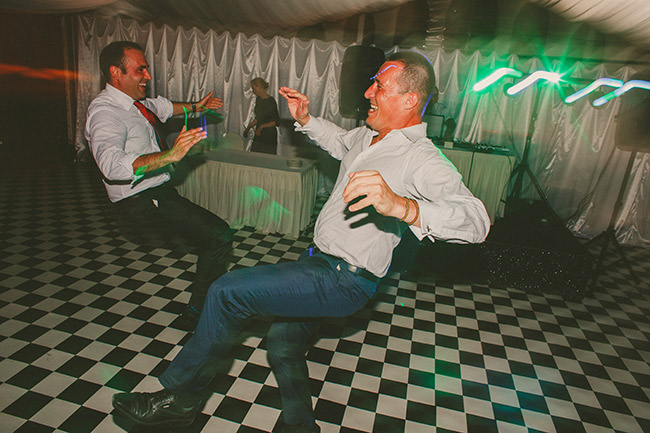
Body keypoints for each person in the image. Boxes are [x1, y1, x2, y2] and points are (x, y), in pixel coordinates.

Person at [111, 51, 490, 433]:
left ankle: (179, 400)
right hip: (321, 263)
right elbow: (339, 141)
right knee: (284, 345)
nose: (367, 92)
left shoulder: (421, 158)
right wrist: (306, 119)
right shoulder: (368, 136)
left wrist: (402, 206)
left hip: (345, 279)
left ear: (410, 99)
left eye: (379, 86)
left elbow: (477, 221)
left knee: (227, 293)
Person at [84, 41, 233, 327]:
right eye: (140, 70)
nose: (148, 76)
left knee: (214, 236)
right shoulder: (105, 112)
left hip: (158, 191)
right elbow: (110, 165)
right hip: (138, 201)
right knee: (219, 235)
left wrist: (195, 106)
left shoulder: (135, 104)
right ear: (115, 72)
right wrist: (170, 155)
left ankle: (204, 304)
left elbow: (162, 107)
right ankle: (198, 314)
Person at [243, 77, 280, 154]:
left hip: (269, 134)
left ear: (259, 87)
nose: (253, 91)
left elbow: (276, 122)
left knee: (267, 156)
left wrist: (261, 127)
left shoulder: (271, 101)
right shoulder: (259, 100)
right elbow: (258, 118)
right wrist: (248, 128)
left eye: (254, 88)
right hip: (259, 133)